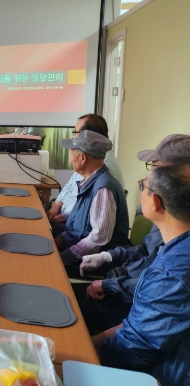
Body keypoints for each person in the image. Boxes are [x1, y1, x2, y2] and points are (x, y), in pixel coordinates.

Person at [74, 134, 190, 333]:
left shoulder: (177, 258)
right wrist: (107, 256)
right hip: (124, 286)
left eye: (154, 168)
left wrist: (111, 286)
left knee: (68, 310)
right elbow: (145, 251)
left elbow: (159, 287)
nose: (148, 176)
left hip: (131, 303)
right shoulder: (168, 219)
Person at [96, 159, 190, 386]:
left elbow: (132, 350)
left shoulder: (172, 272)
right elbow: (140, 327)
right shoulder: (176, 249)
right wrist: (94, 340)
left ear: (155, 202)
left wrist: (82, 355)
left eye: (143, 186)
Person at [55, 131, 129, 274]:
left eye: (71, 153)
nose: (70, 159)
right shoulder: (90, 182)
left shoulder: (103, 189)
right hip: (79, 253)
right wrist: (59, 239)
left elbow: (98, 239)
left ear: (82, 158)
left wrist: (64, 257)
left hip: (92, 262)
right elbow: (76, 226)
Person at [47, 114, 124, 226]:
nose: (73, 136)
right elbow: (71, 183)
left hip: (74, 221)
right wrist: (55, 207)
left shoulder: (100, 164)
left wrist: (58, 218)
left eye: (75, 132)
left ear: (89, 136)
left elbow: (84, 205)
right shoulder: (89, 158)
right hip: (69, 217)